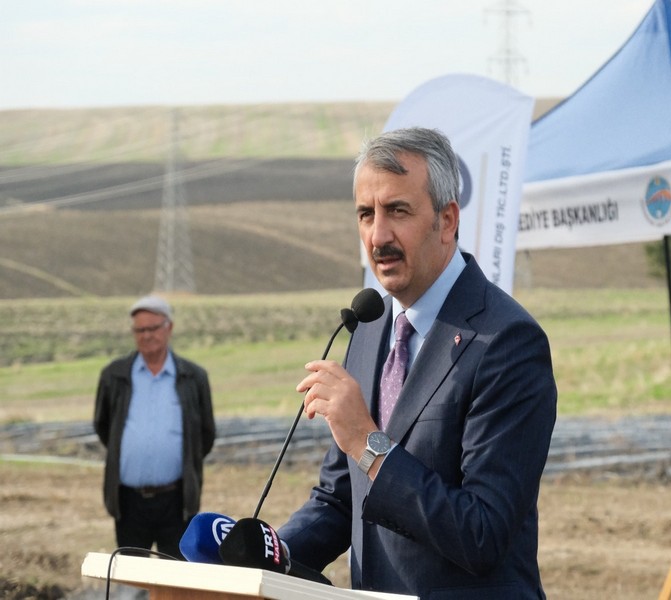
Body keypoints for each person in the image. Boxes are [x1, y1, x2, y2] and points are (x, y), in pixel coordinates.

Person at [277, 127, 558, 599]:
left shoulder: (507, 341)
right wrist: (269, 554)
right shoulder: (368, 329)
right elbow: (343, 498)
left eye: (397, 211)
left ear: (446, 221)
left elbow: (483, 531)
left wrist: (368, 443)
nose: (378, 235)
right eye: (366, 214)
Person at [93, 294, 216, 559]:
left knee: (176, 573)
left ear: (169, 327)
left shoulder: (193, 377)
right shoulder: (114, 375)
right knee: (131, 572)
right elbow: (104, 427)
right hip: (128, 501)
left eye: (153, 328)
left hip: (177, 500)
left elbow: (205, 435)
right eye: (140, 330)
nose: (147, 335)